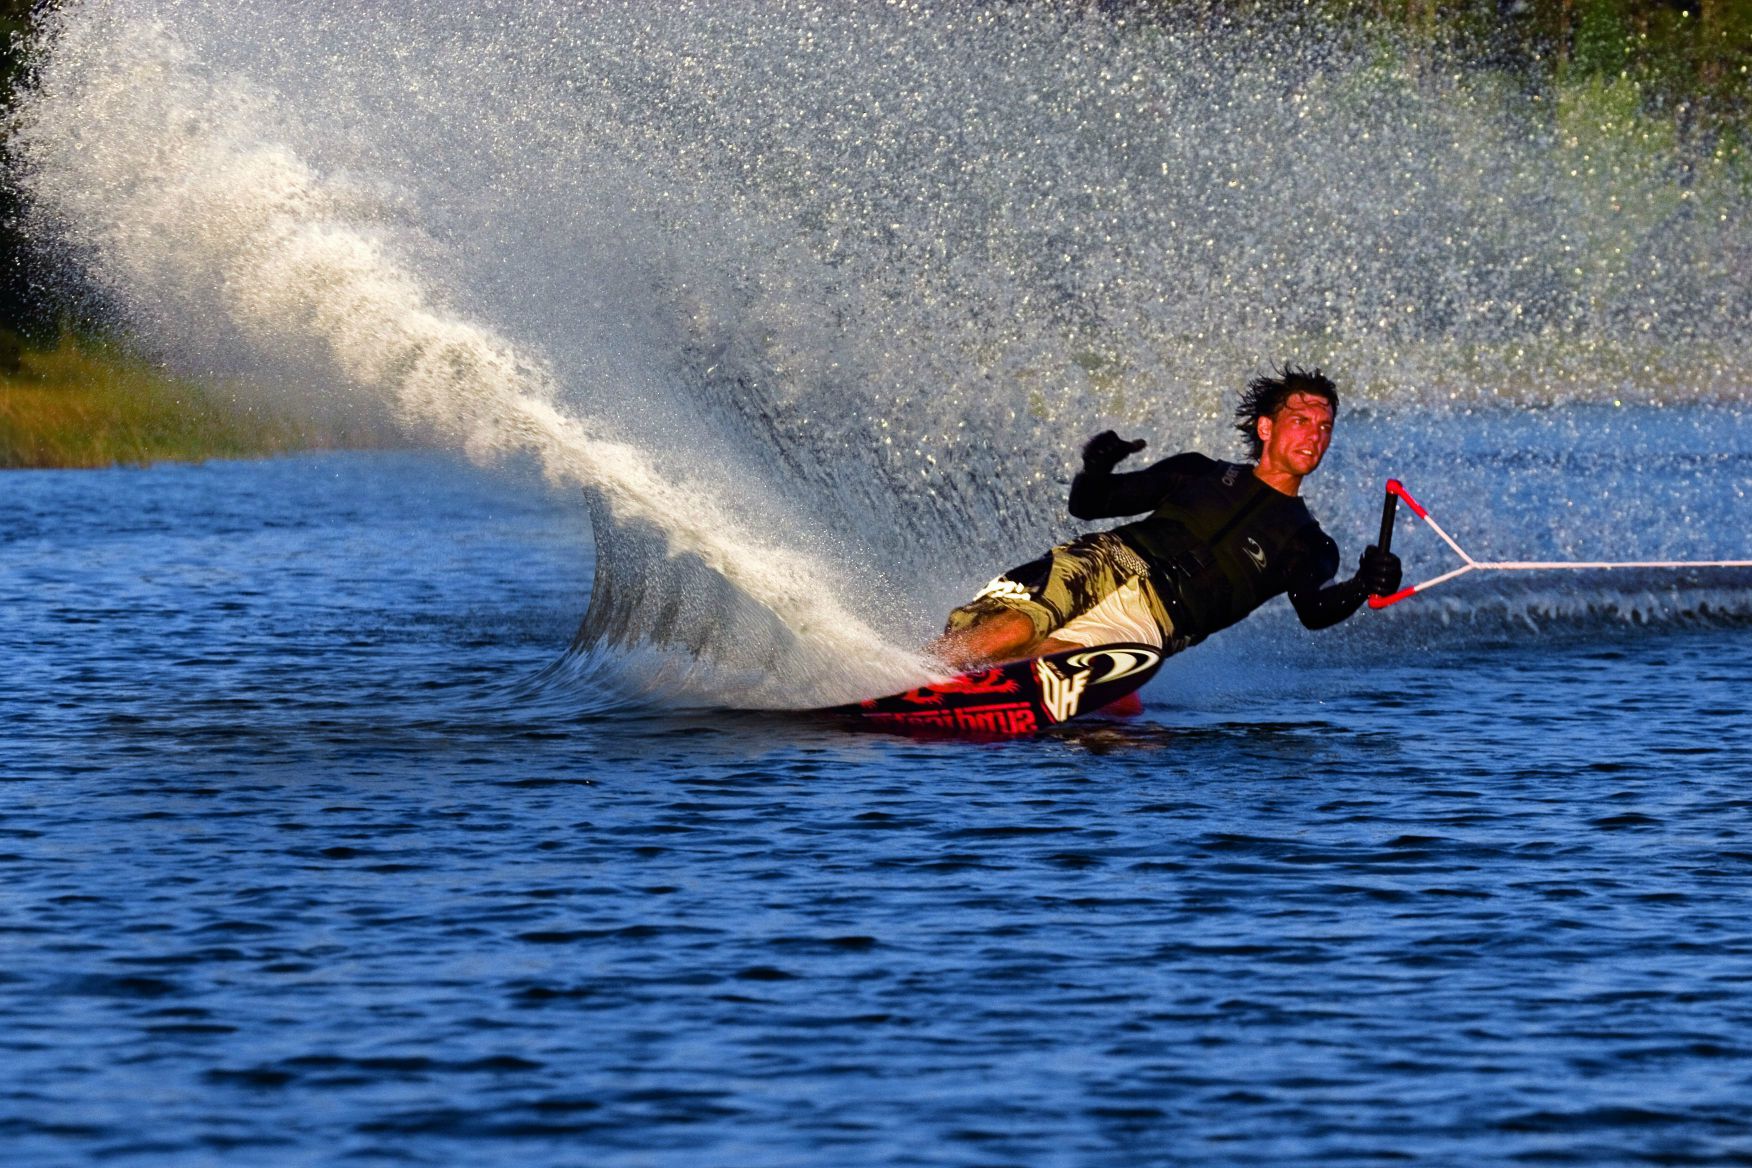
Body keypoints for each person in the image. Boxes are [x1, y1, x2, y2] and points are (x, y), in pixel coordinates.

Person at [930, 365, 1401, 670]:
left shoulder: (1310, 544)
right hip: (1104, 563)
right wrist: (1097, 468)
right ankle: (903, 674)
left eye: (1325, 427)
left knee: (1054, 662)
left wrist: (1364, 583)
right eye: (1302, 421)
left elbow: (1314, 612)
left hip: (1157, 622)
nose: (1315, 435)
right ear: (1266, 427)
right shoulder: (1198, 472)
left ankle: (959, 692)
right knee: (1015, 629)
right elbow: (1089, 505)